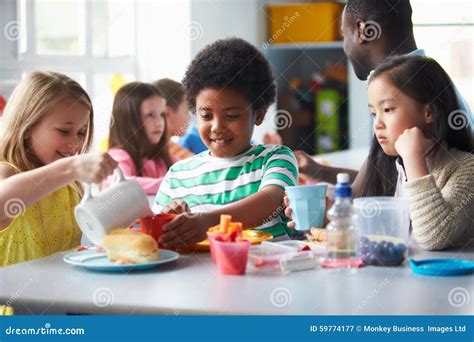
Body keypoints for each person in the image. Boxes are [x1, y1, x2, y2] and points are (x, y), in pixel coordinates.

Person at [288, 55, 473, 251]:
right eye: (374, 113)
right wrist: (322, 222)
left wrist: (413, 158)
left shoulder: (466, 169)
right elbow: (361, 232)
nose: (378, 124)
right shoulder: (386, 164)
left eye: (388, 109)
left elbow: (432, 238)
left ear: (429, 112)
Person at [297, 0, 472, 189]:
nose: (344, 47)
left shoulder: (411, 95)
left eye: (343, 35)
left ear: (363, 30)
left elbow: (425, 192)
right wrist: (320, 171)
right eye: (374, 113)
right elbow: (388, 183)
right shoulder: (419, 85)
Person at [153, 38, 298, 248]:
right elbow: (160, 235)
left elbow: (272, 200)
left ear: (258, 114)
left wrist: (208, 222)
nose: (217, 127)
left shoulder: (275, 158)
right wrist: (170, 220)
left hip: (264, 275)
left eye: (231, 116)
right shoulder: (178, 175)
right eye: (206, 115)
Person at [0, 71, 117, 266]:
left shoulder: (69, 184)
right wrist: (71, 167)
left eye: (81, 132)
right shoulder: (7, 171)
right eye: (64, 131)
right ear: (27, 127)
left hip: (58, 293)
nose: (76, 143)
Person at [104, 82, 172, 195]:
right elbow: (120, 184)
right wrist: (173, 184)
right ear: (128, 119)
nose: (159, 123)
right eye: (150, 115)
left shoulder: (161, 157)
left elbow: (187, 172)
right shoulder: (116, 156)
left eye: (162, 115)